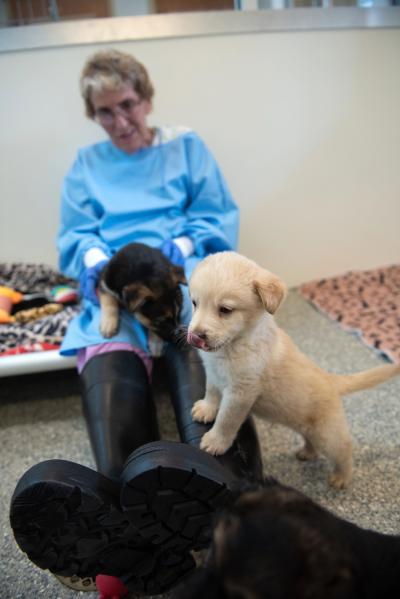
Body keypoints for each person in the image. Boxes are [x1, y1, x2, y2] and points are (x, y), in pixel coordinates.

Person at [10, 49, 263, 598]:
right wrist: (98, 264)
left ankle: (240, 503)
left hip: (182, 282)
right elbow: (77, 235)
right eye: (106, 112)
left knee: (209, 371)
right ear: (93, 116)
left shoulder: (186, 148)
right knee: (112, 355)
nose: (120, 121)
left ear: (145, 100)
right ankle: (128, 518)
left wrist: (184, 243)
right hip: (119, 289)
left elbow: (216, 214)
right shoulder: (86, 165)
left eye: (127, 105)